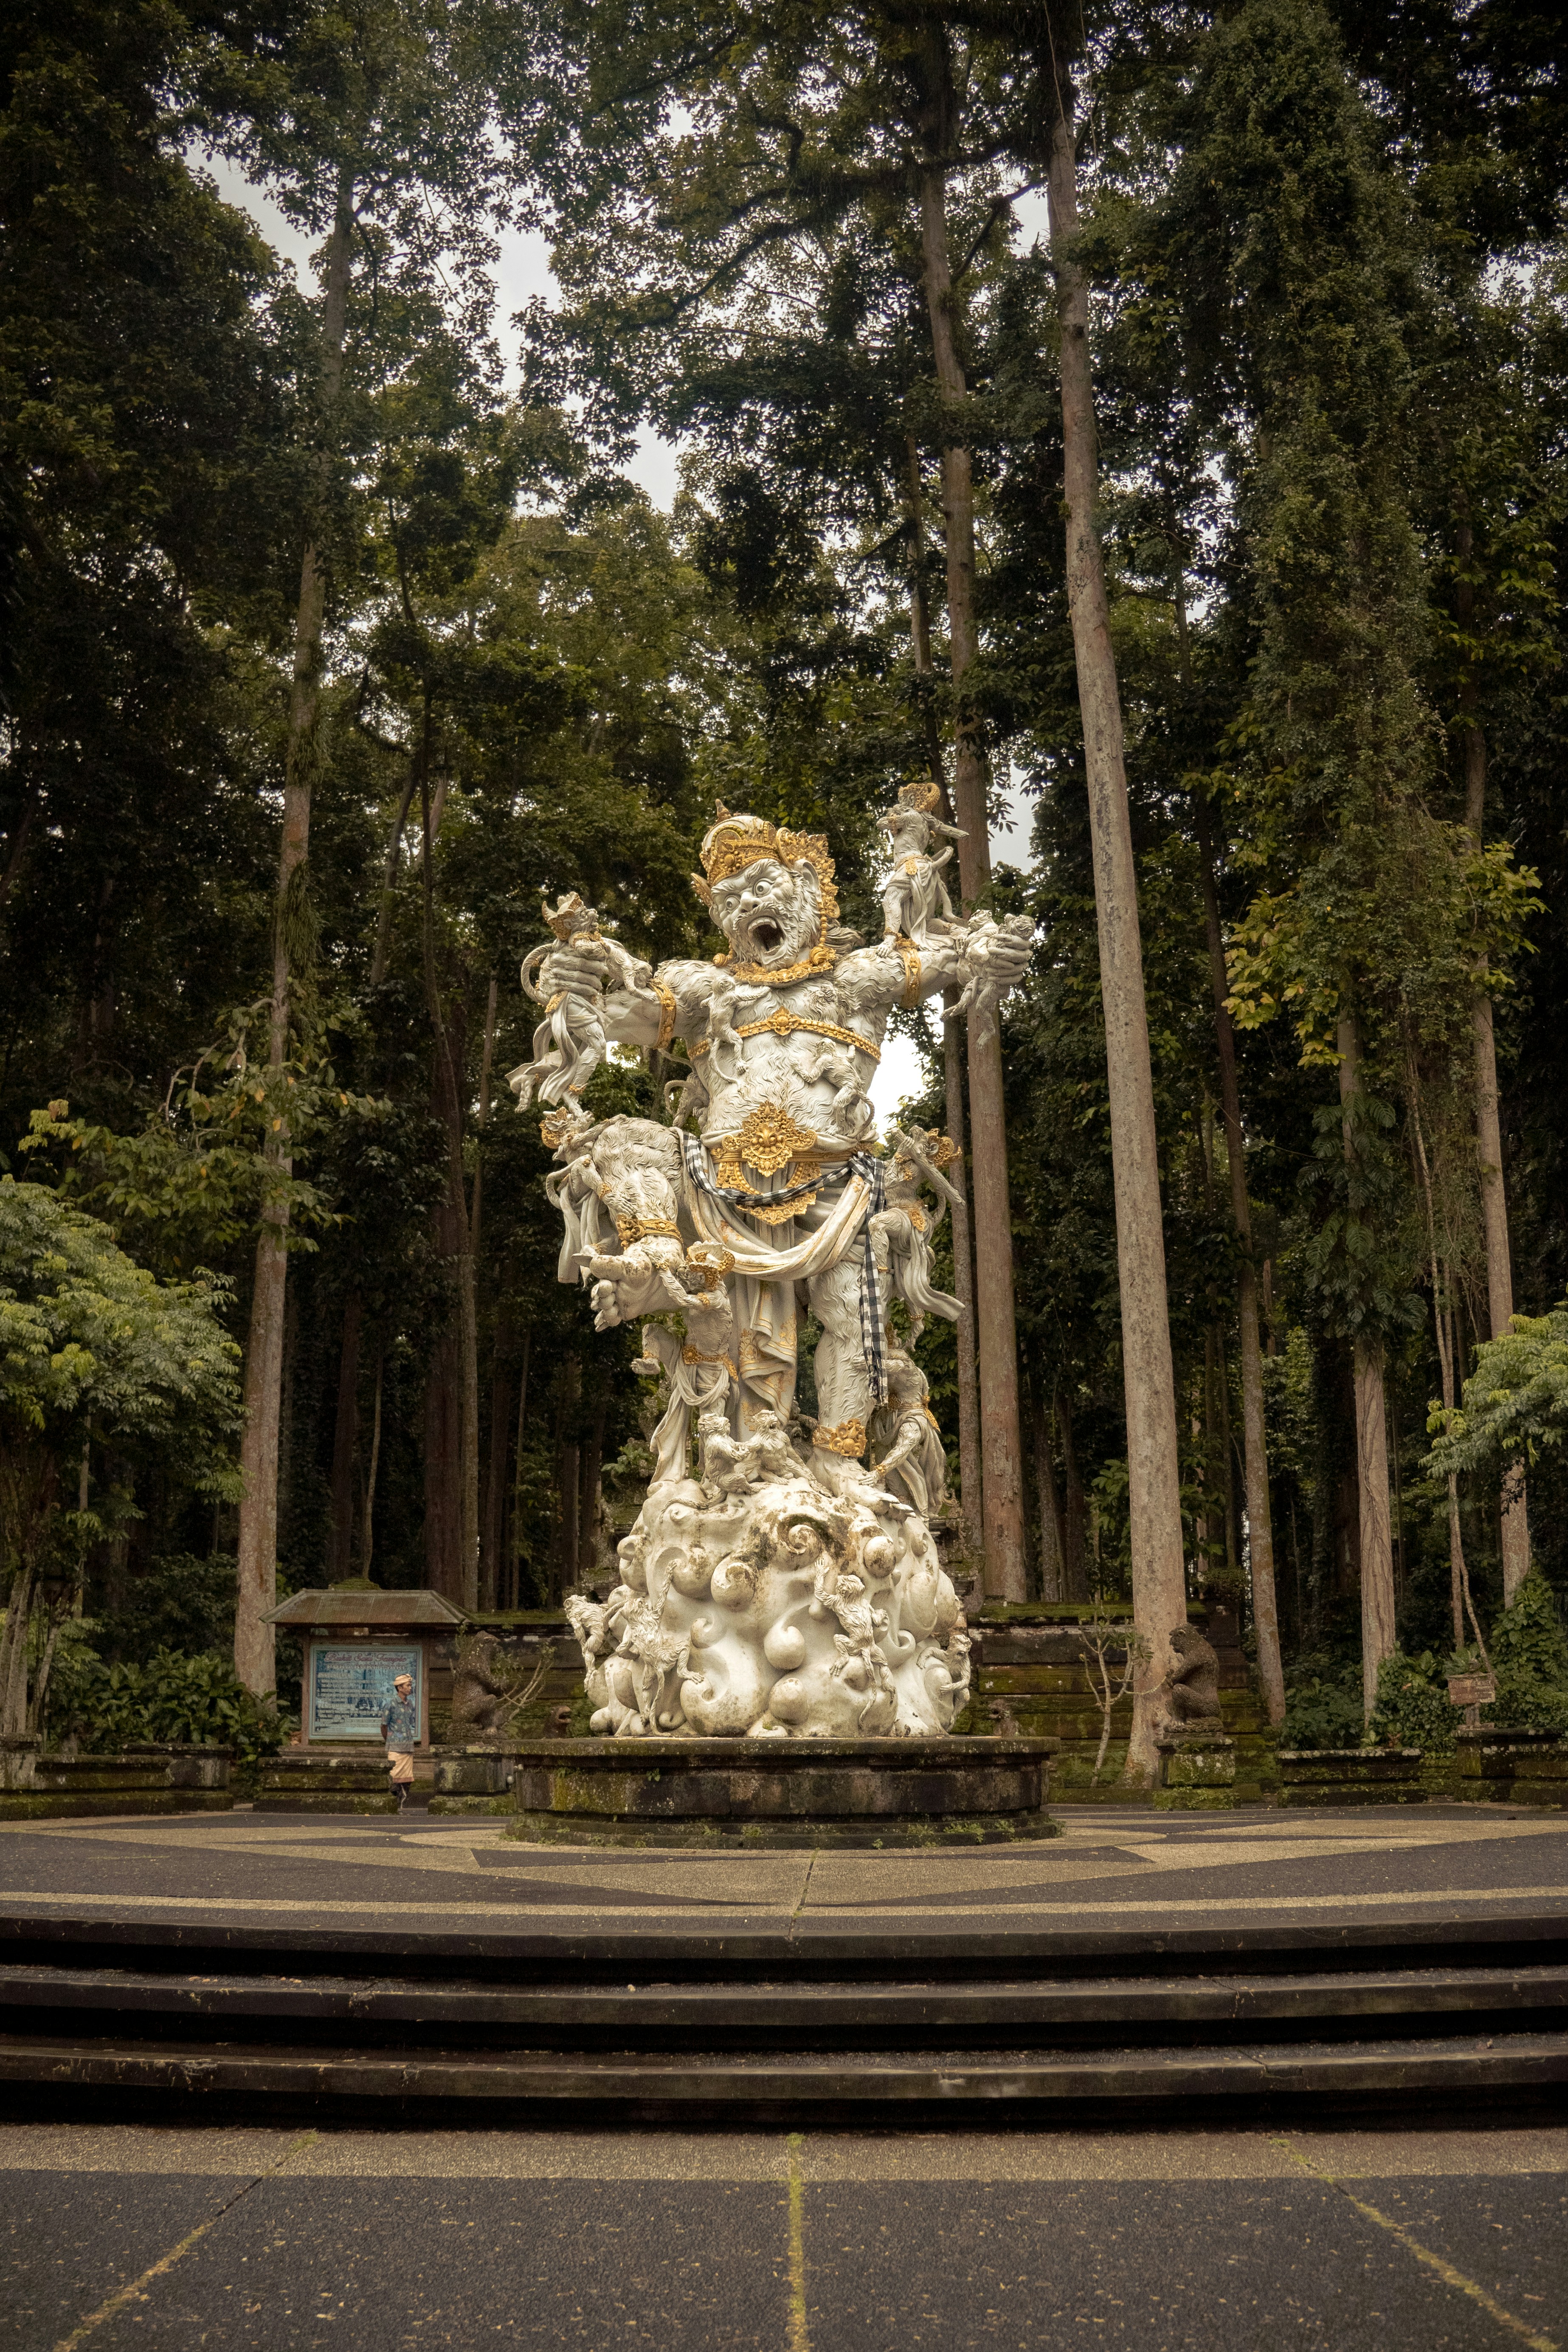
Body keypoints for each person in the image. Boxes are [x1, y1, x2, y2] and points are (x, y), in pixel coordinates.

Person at [380, 1671, 418, 1812]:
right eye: (408, 1685)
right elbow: (384, 1725)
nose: (410, 1688)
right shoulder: (390, 1704)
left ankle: (401, 1807)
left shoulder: (410, 1705)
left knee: (407, 1779)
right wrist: (389, 1739)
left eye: (410, 1685)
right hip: (395, 1746)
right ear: (400, 1688)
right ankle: (391, 1807)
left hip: (408, 1746)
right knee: (394, 1777)